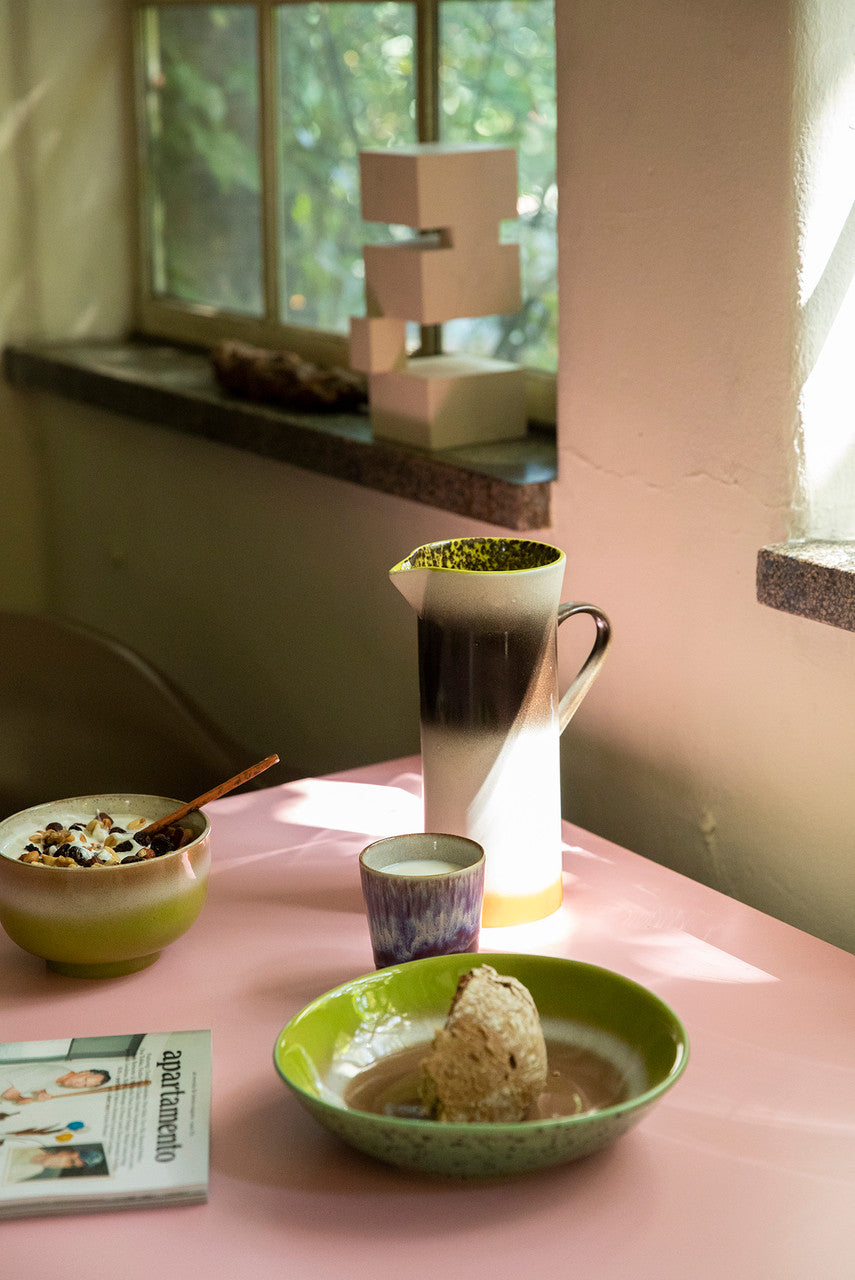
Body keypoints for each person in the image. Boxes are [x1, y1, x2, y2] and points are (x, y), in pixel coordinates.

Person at [1, 1067, 112, 1106]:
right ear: (85, 1071)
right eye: (84, 1079)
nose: (79, 1084)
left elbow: (33, 1079)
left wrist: (40, 1092)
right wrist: (25, 1100)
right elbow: (8, 1095)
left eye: (85, 1085)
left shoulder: (60, 1075)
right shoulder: (52, 1074)